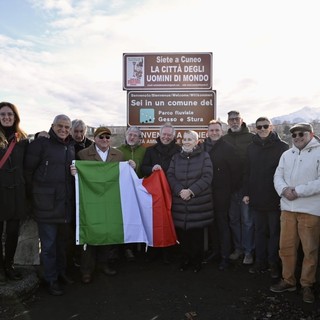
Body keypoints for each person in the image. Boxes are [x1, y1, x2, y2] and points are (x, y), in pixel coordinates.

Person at [71, 126, 135, 284]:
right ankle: (86, 270)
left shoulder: (118, 155)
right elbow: (80, 175)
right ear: (95, 138)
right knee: (89, 233)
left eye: (107, 137)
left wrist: (132, 166)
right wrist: (75, 172)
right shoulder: (83, 154)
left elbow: (124, 174)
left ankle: (103, 264)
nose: (105, 140)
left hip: (110, 201)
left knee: (107, 232)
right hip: (91, 201)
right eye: (101, 137)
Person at [24, 114, 75, 296]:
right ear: (52, 126)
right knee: (48, 246)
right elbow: (28, 173)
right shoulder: (40, 144)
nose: (63, 130)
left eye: (67, 127)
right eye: (60, 126)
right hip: (45, 205)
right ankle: (50, 279)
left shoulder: (70, 146)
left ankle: (61, 273)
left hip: (64, 205)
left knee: (62, 244)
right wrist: (31, 200)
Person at [271, 123, 320, 304]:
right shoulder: (287, 154)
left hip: (310, 210)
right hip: (287, 209)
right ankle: (288, 280)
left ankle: (307, 285)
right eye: (294, 135)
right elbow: (278, 176)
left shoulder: (318, 152)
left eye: (302, 134)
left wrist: (298, 191)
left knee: (310, 250)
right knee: (286, 248)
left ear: (311, 134)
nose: (298, 137)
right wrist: (284, 190)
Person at [242, 117, 288, 278]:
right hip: (256, 196)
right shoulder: (250, 148)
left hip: (275, 197)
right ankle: (260, 262)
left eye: (265, 126)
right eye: (259, 126)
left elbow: (286, 174)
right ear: (255, 128)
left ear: (271, 127)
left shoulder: (282, 147)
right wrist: (246, 193)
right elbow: (246, 172)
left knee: (275, 232)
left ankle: (273, 263)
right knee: (259, 231)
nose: (262, 129)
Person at [167, 130, 213, 273]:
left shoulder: (205, 156)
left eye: (190, 139)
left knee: (196, 236)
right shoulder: (176, 157)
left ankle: (196, 262)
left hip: (198, 203)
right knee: (183, 236)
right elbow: (170, 175)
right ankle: (184, 260)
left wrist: (191, 191)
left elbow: (207, 177)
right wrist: (180, 190)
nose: (186, 141)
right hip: (180, 203)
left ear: (196, 141)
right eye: (185, 139)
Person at [201, 120, 241, 270]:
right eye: (211, 130)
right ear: (207, 132)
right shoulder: (202, 147)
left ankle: (225, 256)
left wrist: (229, 190)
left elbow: (236, 172)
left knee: (223, 224)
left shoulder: (228, 148)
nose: (214, 133)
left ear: (221, 131)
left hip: (223, 193)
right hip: (206, 192)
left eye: (217, 130)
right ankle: (215, 252)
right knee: (212, 224)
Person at [141, 123, 181, 263]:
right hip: (156, 194)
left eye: (169, 135)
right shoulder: (150, 150)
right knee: (156, 221)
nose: (166, 137)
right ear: (159, 134)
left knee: (172, 221)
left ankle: (170, 252)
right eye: (164, 134)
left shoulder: (179, 150)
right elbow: (143, 168)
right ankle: (155, 251)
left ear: (173, 136)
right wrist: (152, 168)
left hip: (173, 191)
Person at [0, 102, 29, 285]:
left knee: (12, 233)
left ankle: (8, 266)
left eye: (9, 114)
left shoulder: (23, 139)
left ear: (15, 116)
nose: (6, 117)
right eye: (2, 114)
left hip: (17, 193)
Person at [223, 110, 255, 265]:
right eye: (231, 120)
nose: (234, 122)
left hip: (245, 186)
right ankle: (238, 249)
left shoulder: (251, 138)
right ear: (228, 122)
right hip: (230, 187)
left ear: (242, 120)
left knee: (247, 221)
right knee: (234, 220)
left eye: (236, 119)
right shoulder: (225, 139)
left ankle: (249, 251)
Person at [117, 126, 146, 262]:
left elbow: (146, 168)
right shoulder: (118, 151)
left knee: (138, 218)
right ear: (126, 135)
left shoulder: (144, 151)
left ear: (140, 138)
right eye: (130, 134)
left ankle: (136, 247)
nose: (132, 137)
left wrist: (137, 166)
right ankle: (125, 248)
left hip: (139, 190)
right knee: (125, 219)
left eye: (135, 135)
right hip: (123, 191)